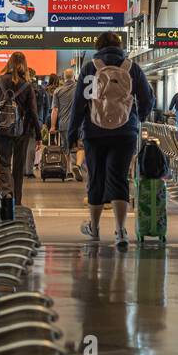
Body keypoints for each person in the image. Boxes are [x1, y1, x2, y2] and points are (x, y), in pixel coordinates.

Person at [70, 31, 153, 249]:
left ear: (98, 47)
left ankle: (95, 229)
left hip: (94, 132)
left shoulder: (90, 68)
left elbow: (79, 103)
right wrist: (137, 118)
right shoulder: (131, 68)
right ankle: (120, 230)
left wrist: (72, 133)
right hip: (125, 132)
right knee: (118, 178)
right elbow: (147, 98)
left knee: (96, 178)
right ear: (119, 45)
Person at [0, 52, 41, 214]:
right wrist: (38, 135)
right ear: (24, 64)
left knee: (4, 163)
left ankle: (6, 193)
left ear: (8, 63)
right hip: (21, 131)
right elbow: (33, 112)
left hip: (2, 130)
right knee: (18, 166)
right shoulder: (27, 85)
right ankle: (17, 201)